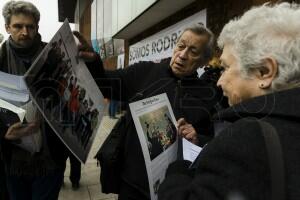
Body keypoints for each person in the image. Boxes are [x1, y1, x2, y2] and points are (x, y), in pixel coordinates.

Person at [158, 3, 300, 200]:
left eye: (225, 68)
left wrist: (178, 171)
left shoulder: (246, 139)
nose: (219, 80)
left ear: (264, 72)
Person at [75, 23, 224, 199]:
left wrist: (197, 137)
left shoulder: (208, 96)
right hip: (131, 181)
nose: (182, 55)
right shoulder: (145, 72)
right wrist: (93, 62)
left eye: (193, 51)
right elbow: (105, 83)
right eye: (181, 46)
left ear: (204, 61)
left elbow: (215, 144)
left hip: (172, 187)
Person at [0, 1, 68, 199]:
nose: (25, 32)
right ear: (7, 27)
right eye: (18, 26)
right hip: (12, 160)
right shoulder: (1, 58)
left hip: (50, 159)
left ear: (37, 27)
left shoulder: (55, 55)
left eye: (30, 26)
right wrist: (3, 133)